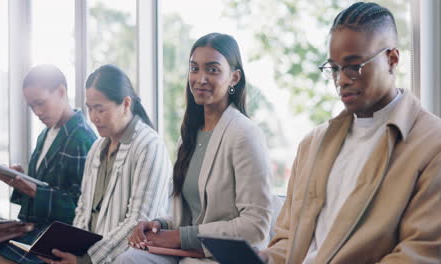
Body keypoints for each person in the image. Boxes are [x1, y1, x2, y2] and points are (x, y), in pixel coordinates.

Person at [262, 2, 441, 263]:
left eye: (353, 66)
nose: (341, 80)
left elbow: (419, 253)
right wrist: (264, 258)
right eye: (334, 68)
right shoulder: (312, 144)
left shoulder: (432, 144)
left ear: (392, 59)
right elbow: (289, 240)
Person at [117, 33, 273, 264]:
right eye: (194, 68)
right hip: (190, 253)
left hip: (223, 257)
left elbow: (256, 225)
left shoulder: (245, 134)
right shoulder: (189, 137)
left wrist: (181, 236)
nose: (200, 78)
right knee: (129, 259)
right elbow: (196, 214)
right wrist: (160, 225)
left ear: (234, 78)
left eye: (212, 70)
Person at [38, 64, 172, 264]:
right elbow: (83, 211)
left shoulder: (150, 146)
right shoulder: (97, 148)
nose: (93, 117)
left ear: (126, 104)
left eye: (100, 109)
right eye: (90, 109)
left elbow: (138, 222)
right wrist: (70, 250)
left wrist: (86, 260)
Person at [0, 65, 97, 264]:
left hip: (51, 242)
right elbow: (42, 189)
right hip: (30, 231)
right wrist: (20, 184)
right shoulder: (45, 135)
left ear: (61, 92)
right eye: (32, 106)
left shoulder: (83, 139)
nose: (37, 112)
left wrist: (34, 192)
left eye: (41, 103)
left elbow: (84, 211)